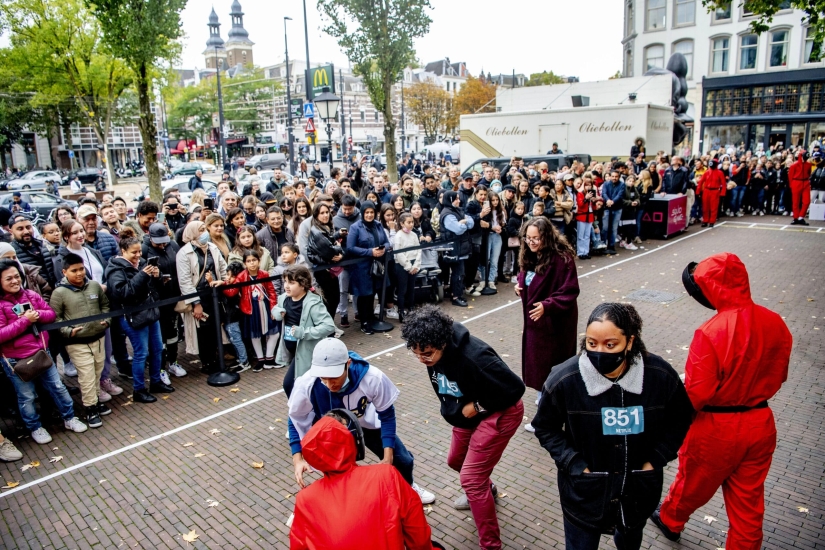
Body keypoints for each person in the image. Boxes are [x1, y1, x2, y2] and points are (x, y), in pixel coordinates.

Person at [651, 253, 793, 549]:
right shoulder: (775, 322)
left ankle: (671, 520)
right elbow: (779, 375)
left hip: (716, 428)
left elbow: (696, 394)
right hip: (760, 421)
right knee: (749, 505)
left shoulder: (711, 332)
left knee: (690, 485)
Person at [532, 303, 694, 550]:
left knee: (629, 539)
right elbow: (545, 427)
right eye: (591, 343)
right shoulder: (564, 379)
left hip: (637, 491)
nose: (599, 352)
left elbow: (681, 417)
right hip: (585, 494)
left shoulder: (659, 375)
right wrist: (574, 464)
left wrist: (656, 460)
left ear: (629, 342)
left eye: (610, 345)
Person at [402, 305, 524, 549]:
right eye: (415, 354)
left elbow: (515, 389)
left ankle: (490, 544)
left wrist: (477, 407)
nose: (422, 359)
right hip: (467, 414)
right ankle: (487, 490)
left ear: (443, 343)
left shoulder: (476, 357)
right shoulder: (430, 350)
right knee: (456, 461)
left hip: (500, 411)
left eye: (426, 354)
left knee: (471, 478)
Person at [288, 338, 435, 503]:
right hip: (334, 431)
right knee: (337, 471)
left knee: (403, 460)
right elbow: (295, 418)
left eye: (334, 377)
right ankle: (340, 504)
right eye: (324, 378)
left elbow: (386, 415)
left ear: (348, 363)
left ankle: (409, 486)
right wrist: (298, 459)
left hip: (366, 423)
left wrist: (388, 458)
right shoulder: (306, 384)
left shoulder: (373, 378)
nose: (329, 384)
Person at [289, 411, 441, 550]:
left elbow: (298, 544)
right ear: (353, 441)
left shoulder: (305, 499)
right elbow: (418, 537)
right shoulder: (386, 476)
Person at [0, 259, 88, 443]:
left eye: (17, 276)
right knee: (27, 396)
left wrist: (37, 315)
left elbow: (51, 314)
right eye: (9, 278)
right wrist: (25, 321)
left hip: (41, 352)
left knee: (57, 387)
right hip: (16, 360)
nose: (15, 281)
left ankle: (69, 417)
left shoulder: (31, 294)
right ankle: (35, 427)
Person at [514, 218, 580, 432]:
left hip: (554, 325)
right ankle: (547, 399)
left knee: (548, 367)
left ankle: (545, 419)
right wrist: (520, 285)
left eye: (536, 238)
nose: (531, 243)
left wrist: (548, 305)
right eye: (528, 238)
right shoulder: (530, 255)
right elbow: (528, 277)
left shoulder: (562, 259)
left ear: (547, 237)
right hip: (536, 322)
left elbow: (570, 290)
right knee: (540, 367)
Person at [106, 233, 171, 403]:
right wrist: (142, 275)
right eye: (133, 253)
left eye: (139, 252)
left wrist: (157, 277)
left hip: (150, 312)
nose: (138, 256)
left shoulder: (142, 263)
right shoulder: (115, 269)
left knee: (157, 349)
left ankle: (156, 381)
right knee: (141, 353)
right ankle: (139, 389)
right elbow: (123, 293)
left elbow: (153, 289)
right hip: (133, 316)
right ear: (123, 251)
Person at [49, 253, 112, 428]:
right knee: (86, 376)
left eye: (81, 269)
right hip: (77, 342)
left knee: (98, 371)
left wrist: (106, 321)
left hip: (98, 337)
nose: (79, 273)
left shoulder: (94, 286)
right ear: (64, 272)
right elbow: (56, 319)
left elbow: (105, 305)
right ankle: (90, 408)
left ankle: (97, 400)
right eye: (74, 270)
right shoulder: (59, 293)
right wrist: (69, 331)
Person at [273, 264, 335, 395]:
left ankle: (304, 413)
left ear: (303, 284)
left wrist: (304, 333)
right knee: (301, 387)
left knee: (292, 385)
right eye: (285, 281)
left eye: (291, 282)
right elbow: (276, 310)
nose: (286, 286)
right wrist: (277, 312)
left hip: (309, 354)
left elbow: (328, 326)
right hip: (293, 352)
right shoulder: (283, 298)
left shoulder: (313, 303)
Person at [176, 221, 228, 375]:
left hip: (215, 294)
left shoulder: (212, 248)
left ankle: (218, 360)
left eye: (205, 229)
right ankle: (207, 362)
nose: (205, 232)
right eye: (201, 230)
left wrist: (225, 283)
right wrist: (196, 303)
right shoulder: (184, 253)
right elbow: (185, 281)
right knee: (202, 332)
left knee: (215, 328)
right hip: (199, 297)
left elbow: (222, 267)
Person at [141, 223, 186, 380]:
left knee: (173, 333)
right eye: (158, 241)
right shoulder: (145, 250)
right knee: (160, 337)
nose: (162, 244)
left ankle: (173, 362)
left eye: (164, 240)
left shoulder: (172, 245)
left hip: (173, 297)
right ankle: (160, 368)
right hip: (157, 300)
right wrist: (157, 278)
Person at [222, 250, 278, 370]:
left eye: (254, 260)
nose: (252, 263)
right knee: (255, 335)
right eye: (248, 261)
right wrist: (223, 284)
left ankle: (269, 358)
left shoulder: (264, 274)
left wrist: (273, 307)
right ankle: (260, 359)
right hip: (250, 309)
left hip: (264, 306)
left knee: (274, 333)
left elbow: (271, 291)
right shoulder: (242, 276)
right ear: (245, 263)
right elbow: (232, 292)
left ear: (259, 261)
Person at [346, 201, 389, 335]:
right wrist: (370, 252)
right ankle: (364, 321)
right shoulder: (355, 227)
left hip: (377, 264)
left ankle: (370, 316)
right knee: (364, 294)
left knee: (374, 290)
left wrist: (383, 249)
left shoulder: (378, 225)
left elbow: (387, 242)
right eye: (367, 212)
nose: (369, 215)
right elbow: (350, 247)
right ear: (363, 213)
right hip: (362, 266)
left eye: (372, 212)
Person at [306, 202, 344, 324]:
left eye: (327, 212)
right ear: (316, 215)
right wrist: (339, 248)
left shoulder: (324, 228)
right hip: (323, 271)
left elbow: (330, 239)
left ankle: (329, 327)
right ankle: (328, 329)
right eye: (322, 213)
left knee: (333, 300)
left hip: (327, 270)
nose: (325, 215)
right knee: (331, 301)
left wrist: (337, 236)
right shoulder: (316, 231)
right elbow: (330, 251)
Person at [10, 214, 56, 287]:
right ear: (11, 231)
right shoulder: (11, 253)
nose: (26, 231)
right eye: (20, 229)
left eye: (28, 227)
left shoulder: (42, 246)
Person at [392, 212, 420, 323]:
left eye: (412, 222)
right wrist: (408, 266)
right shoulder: (398, 236)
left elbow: (419, 250)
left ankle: (411, 309)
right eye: (408, 222)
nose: (411, 224)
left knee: (411, 288)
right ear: (402, 223)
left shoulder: (414, 235)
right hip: (402, 265)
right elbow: (399, 254)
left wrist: (416, 265)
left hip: (414, 264)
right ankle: (401, 310)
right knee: (402, 289)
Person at [599, 170, 625, 255]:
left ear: (619, 177)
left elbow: (620, 195)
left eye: (616, 176)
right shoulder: (606, 184)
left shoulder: (622, 184)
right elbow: (604, 193)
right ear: (610, 176)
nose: (614, 178)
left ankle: (611, 246)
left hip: (617, 208)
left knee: (614, 228)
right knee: (605, 227)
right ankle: (603, 245)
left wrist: (612, 201)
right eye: (613, 176)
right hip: (607, 207)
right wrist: (608, 200)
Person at [697, 156, 726, 228]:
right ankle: (705, 220)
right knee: (705, 207)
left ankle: (712, 221)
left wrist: (722, 193)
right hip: (706, 190)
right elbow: (701, 182)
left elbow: (723, 183)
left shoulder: (720, 173)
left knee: (714, 207)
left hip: (715, 191)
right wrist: (698, 191)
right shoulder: (707, 172)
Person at [788, 150, 812, 225]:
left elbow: (809, 173)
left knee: (807, 201)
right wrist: (792, 185)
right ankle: (796, 217)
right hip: (796, 182)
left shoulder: (808, 165)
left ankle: (801, 217)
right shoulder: (794, 165)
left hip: (805, 183)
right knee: (796, 202)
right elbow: (790, 176)